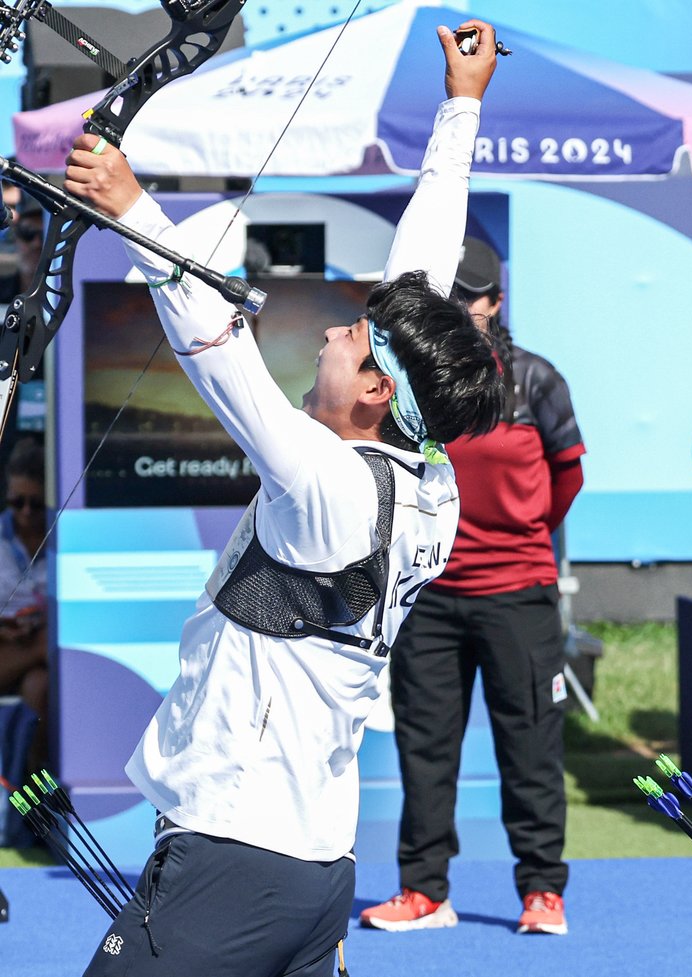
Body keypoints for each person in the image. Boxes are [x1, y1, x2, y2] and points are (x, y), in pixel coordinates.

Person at [68, 20, 505, 976]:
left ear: (380, 388)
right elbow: (421, 279)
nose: (327, 339)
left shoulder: (331, 487)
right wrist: (461, 103)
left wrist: (132, 207)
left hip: (238, 858)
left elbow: (221, 360)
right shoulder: (427, 475)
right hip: (310, 867)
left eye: (348, 336)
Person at [360, 237, 584, 936]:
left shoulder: (536, 379)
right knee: (424, 745)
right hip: (428, 591)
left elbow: (567, 475)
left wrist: (520, 542)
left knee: (531, 744)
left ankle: (543, 889)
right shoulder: (409, 380)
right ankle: (424, 890)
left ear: (495, 303)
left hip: (519, 592)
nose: (459, 308)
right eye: (448, 298)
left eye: (471, 297)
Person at [0, 437, 49, 772]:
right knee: (50, 644)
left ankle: (21, 787)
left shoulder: (64, 534)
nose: (27, 512)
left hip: (38, 660)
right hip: (6, 647)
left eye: (36, 503)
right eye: (18, 503)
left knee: (38, 686)